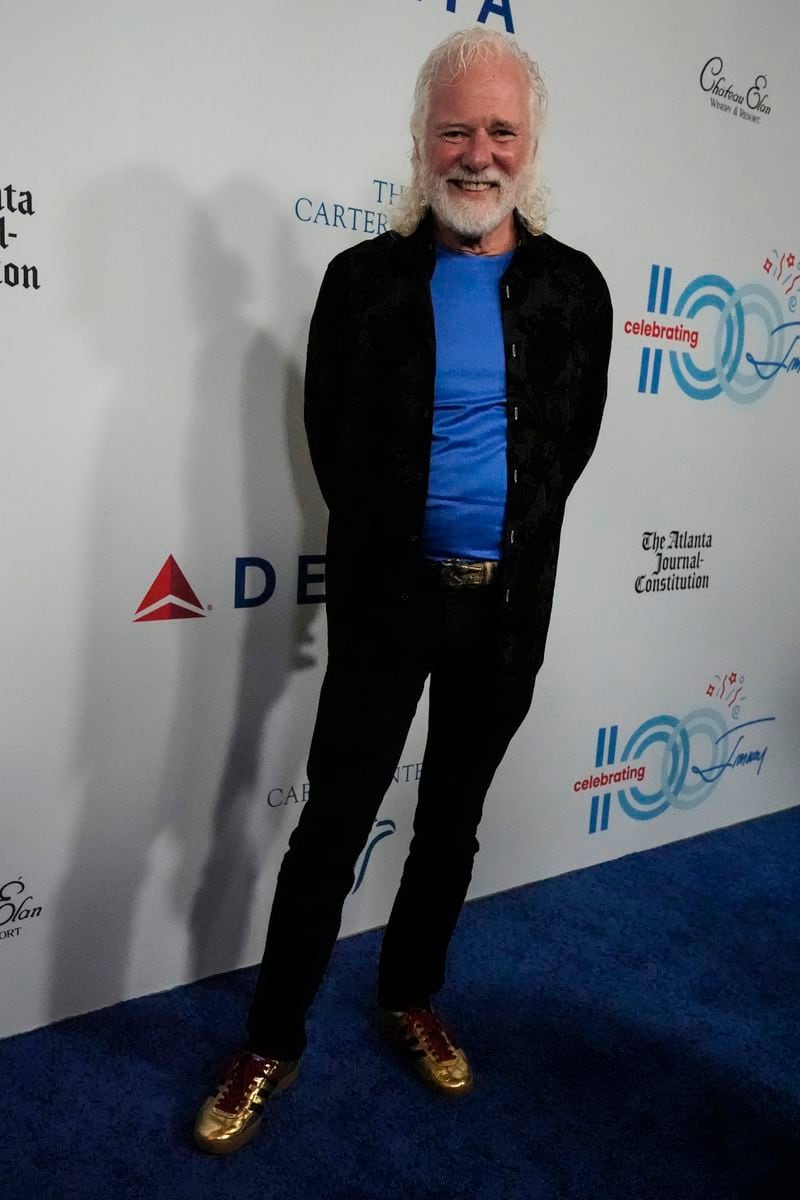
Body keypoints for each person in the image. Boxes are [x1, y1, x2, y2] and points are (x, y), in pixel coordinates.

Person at [195, 25, 612, 1154]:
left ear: (528, 145)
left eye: (498, 130)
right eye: (453, 129)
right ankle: (270, 1038)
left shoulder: (574, 290)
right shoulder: (361, 283)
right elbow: (332, 445)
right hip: (388, 608)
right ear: (419, 142)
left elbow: (565, 456)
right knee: (330, 827)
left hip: (504, 614)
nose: (475, 152)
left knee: (450, 824)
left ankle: (407, 993)